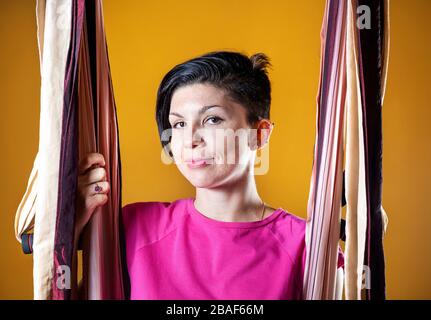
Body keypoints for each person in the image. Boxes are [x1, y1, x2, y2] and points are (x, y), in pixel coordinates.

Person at [74, 51, 344, 299]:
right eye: (178, 124)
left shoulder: (308, 245)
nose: (190, 139)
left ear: (259, 133)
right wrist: (70, 226)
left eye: (212, 120)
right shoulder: (133, 227)